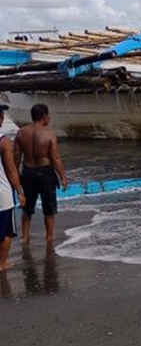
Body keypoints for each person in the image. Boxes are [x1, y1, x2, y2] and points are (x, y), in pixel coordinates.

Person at [14, 104, 68, 244]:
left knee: (27, 208)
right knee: (49, 208)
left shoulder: (21, 133)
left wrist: (14, 178)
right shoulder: (49, 133)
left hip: (28, 172)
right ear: (45, 117)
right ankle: (49, 236)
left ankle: (25, 237)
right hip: (45, 172)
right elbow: (55, 158)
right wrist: (63, 176)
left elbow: (16, 158)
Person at [0, 105, 25, 271]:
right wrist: (20, 191)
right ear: (1, 120)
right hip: (2, 194)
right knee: (7, 231)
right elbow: (11, 169)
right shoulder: (3, 141)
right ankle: (2, 263)